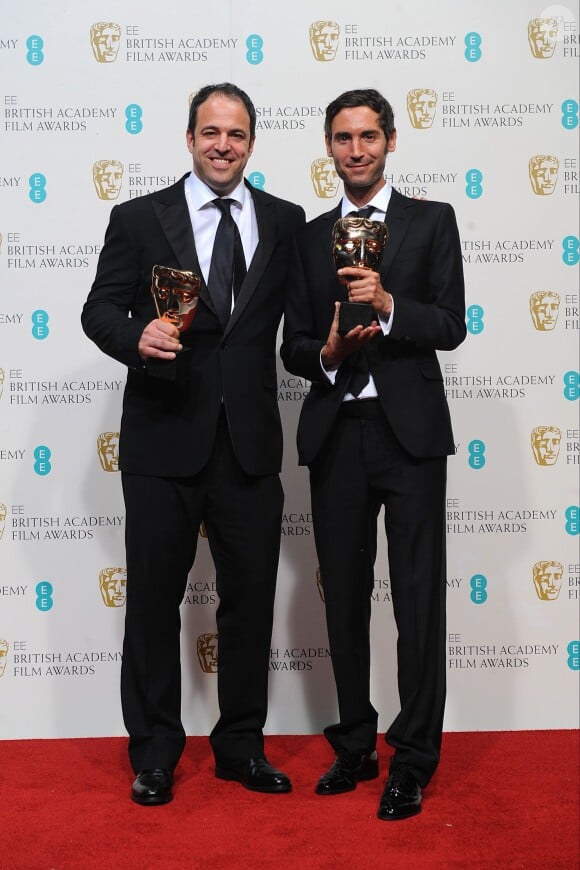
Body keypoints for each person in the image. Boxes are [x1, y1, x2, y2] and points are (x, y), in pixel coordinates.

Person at [82, 82, 305, 805]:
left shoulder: (285, 220)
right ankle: (153, 752)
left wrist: (334, 346)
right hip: (161, 442)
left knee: (250, 601)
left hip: (247, 447)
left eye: (236, 134)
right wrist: (134, 337)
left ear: (250, 143)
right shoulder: (139, 217)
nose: (222, 145)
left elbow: (295, 331)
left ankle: (241, 746)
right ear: (188, 138)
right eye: (210, 131)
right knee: (152, 600)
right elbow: (98, 308)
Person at [281, 88, 466, 820]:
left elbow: (451, 323)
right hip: (337, 435)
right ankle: (354, 743)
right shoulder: (307, 237)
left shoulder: (431, 221)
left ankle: (413, 758)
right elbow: (293, 343)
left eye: (367, 136)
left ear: (391, 140)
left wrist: (389, 306)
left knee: (418, 601)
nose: (355, 150)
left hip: (410, 435)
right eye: (341, 138)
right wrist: (323, 354)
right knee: (345, 600)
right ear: (328, 147)